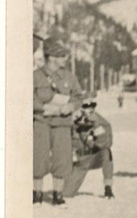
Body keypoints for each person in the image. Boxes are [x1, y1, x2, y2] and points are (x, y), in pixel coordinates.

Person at [33, 39, 84, 205]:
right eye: (61, 56)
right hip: (41, 121)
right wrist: (42, 107)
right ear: (52, 57)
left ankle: (58, 194)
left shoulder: (69, 77)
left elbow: (78, 97)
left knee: (62, 158)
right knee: (38, 157)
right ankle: (36, 194)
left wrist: (71, 105)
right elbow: (27, 97)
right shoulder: (35, 76)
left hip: (62, 123)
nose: (65, 59)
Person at [63, 99, 115, 199]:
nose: (86, 112)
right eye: (84, 108)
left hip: (94, 156)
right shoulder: (70, 121)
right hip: (79, 161)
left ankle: (108, 187)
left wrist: (96, 125)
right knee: (66, 194)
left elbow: (107, 143)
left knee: (106, 153)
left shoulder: (101, 122)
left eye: (90, 109)